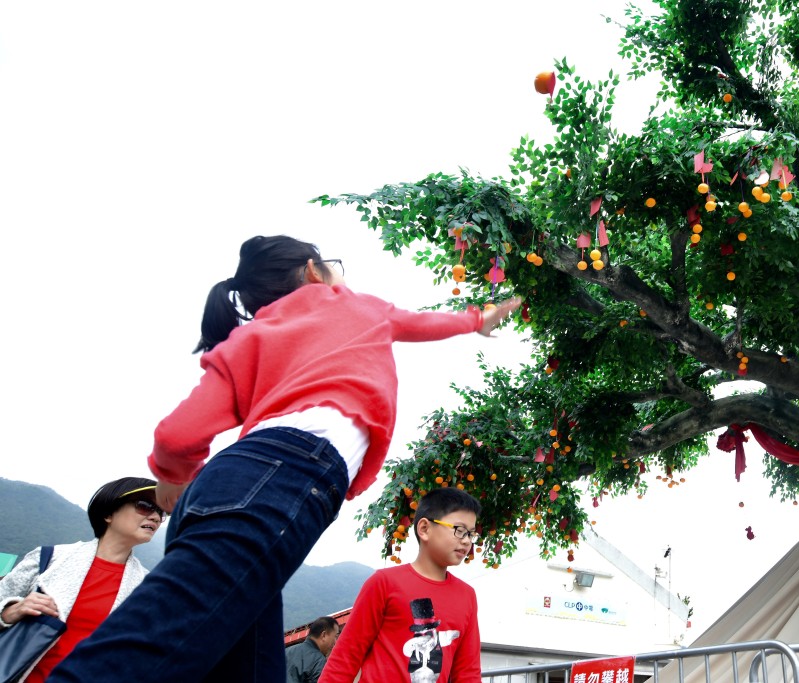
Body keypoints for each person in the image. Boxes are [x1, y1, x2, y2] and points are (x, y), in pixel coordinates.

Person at [49, 235, 519, 683]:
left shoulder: (251, 337)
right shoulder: (351, 304)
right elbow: (420, 323)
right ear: (315, 272)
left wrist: (175, 481)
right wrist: (478, 318)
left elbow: (177, 435)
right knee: (147, 649)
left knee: (248, 667)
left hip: (226, 484)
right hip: (288, 478)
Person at [0, 477, 161, 682]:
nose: (156, 517)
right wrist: (10, 611)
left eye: (161, 512)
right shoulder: (49, 558)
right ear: (108, 513)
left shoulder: (148, 587)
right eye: (146, 506)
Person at [320, 488, 483, 683]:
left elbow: (468, 672)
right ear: (424, 529)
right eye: (459, 530)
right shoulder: (384, 582)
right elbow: (346, 657)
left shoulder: (466, 595)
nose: (466, 541)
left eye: (471, 534)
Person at [286, 616, 341, 683]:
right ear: (324, 635)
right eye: (335, 636)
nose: (335, 642)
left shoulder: (286, 652)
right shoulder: (318, 661)